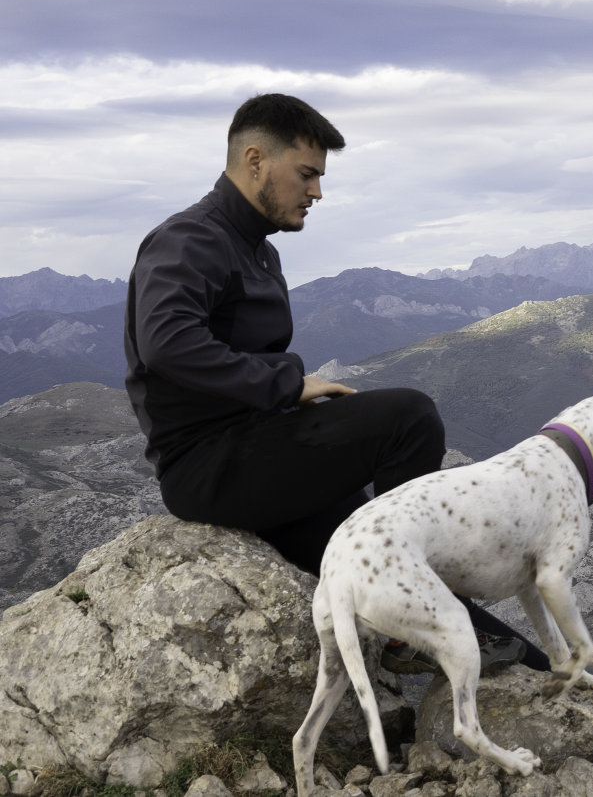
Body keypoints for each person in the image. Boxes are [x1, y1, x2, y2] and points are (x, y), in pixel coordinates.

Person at [124, 93, 538, 674]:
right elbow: (167, 345)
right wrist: (287, 384)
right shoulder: (190, 239)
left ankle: (587, 686)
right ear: (255, 160)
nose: (317, 191)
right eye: (307, 174)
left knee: (379, 557)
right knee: (408, 417)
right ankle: (411, 625)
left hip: (259, 455)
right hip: (210, 467)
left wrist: (288, 398)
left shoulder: (255, 249)